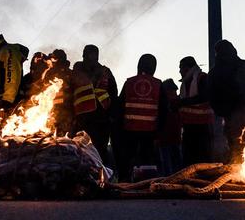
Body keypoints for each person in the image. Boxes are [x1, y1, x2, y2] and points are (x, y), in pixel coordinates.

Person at [208, 39, 245, 162]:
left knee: (242, 145)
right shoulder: (218, 71)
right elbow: (212, 94)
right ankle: (240, 172)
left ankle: (243, 171)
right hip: (234, 115)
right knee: (241, 145)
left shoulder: (241, 67)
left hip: (244, 114)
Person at [114, 54, 165, 182]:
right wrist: (160, 131)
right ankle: (146, 184)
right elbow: (164, 110)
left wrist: (119, 129)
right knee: (147, 159)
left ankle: (124, 183)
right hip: (150, 131)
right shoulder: (158, 84)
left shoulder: (129, 83)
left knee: (127, 158)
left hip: (129, 130)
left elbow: (119, 107)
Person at [71, 44, 117, 162]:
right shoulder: (76, 72)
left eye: (94, 55)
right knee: (82, 150)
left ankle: (103, 177)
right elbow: (69, 94)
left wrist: (111, 115)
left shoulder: (105, 71)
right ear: (84, 56)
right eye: (89, 55)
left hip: (101, 118)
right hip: (83, 120)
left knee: (100, 150)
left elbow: (113, 93)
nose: (91, 58)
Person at [177, 56, 214, 165]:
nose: (179, 71)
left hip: (202, 126)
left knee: (202, 157)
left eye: (181, 68)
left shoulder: (202, 78)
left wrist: (182, 102)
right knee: (189, 158)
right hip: (188, 126)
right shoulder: (185, 83)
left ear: (187, 68)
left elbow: (205, 97)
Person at [45, 49, 75, 137]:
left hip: (65, 113)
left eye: (54, 59)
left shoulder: (69, 74)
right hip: (50, 113)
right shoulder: (48, 74)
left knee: (63, 140)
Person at [157, 78, 182, 175]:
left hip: (165, 139)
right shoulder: (178, 103)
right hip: (174, 139)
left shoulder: (161, 103)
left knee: (166, 166)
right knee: (177, 165)